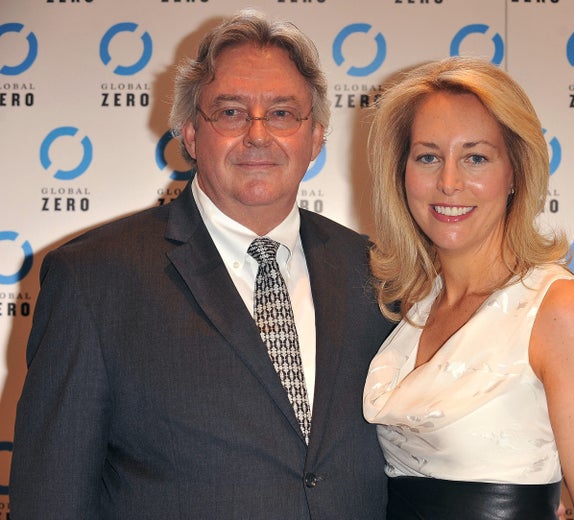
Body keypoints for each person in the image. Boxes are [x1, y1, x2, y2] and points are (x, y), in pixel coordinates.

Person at [10, 9, 394, 519]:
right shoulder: (93, 279)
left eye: (282, 113)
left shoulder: (376, 272)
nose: (259, 135)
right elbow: (50, 501)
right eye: (231, 112)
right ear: (190, 134)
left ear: (316, 137)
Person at [362, 57, 574, 519]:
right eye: (428, 156)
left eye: (476, 157)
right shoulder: (405, 306)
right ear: (400, 174)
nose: (448, 182)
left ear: (515, 173)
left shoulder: (558, 309)